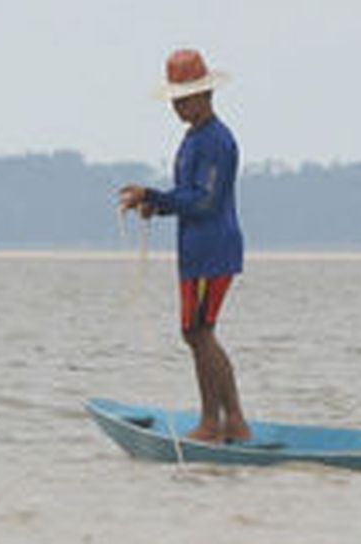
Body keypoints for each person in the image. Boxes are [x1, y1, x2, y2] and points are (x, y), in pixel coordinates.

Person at [117, 48, 249, 444]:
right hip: (196, 249)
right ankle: (231, 424)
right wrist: (154, 206)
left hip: (213, 249)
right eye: (175, 98)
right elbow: (187, 195)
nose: (177, 105)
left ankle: (218, 423)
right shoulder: (194, 138)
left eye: (184, 97)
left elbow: (204, 201)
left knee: (199, 332)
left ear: (204, 95)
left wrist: (155, 196)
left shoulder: (215, 140)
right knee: (196, 333)